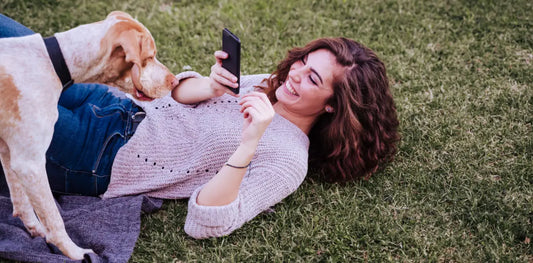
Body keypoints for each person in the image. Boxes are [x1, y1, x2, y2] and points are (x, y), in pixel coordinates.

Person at [0, 14, 399, 239]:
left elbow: (205, 222)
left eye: (313, 80)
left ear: (332, 106)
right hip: (108, 102)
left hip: (99, 153)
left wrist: (250, 141)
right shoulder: (267, 85)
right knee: (14, 45)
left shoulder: (289, 158)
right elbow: (174, 96)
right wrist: (208, 85)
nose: (295, 76)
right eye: (304, 63)